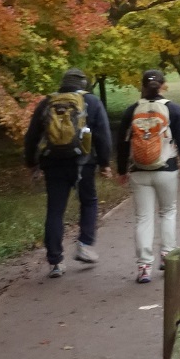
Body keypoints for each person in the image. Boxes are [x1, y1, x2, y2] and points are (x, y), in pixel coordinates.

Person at [23, 68, 113, 278]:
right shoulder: (91, 102)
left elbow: (32, 136)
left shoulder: (47, 102)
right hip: (83, 163)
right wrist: (105, 163)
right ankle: (84, 244)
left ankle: (55, 261)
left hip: (53, 163)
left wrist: (31, 163)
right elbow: (102, 134)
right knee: (89, 201)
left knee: (55, 210)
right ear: (83, 84)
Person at [115, 69, 180, 284]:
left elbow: (121, 143)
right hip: (166, 170)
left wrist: (121, 170)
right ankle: (167, 255)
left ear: (142, 86)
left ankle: (144, 266)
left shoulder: (132, 110)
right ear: (162, 85)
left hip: (139, 171)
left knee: (143, 218)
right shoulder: (173, 109)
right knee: (168, 212)